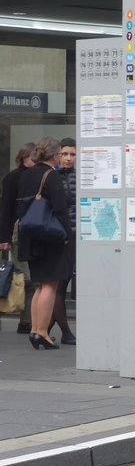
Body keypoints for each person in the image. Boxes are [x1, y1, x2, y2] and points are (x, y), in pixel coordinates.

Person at [16, 137, 71, 349]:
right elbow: (60, 209)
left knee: (41, 285)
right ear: (55, 155)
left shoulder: (27, 174)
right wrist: (67, 233)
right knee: (51, 285)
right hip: (50, 236)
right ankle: (41, 332)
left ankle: (35, 330)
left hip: (31, 235)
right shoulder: (52, 176)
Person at [0, 142, 36, 332]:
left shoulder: (37, 175)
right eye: (32, 157)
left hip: (30, 233)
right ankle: (26, 321)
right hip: (16, 234)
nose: (36, 161)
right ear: (24, 157)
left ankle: (27, 321)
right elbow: (6, 208)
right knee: (25, 278)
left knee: (28, 279)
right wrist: (3, 237)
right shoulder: (14, 177)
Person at [52, 138, 77, 345]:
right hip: (61, 237)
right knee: (59, 285)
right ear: (58, 155)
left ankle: (41, 330)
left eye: (73, 154)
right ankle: (66, 332)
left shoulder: (81, 176)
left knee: (63, 282)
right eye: (65, 154)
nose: (69, 158)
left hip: (79, 235)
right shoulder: (53, 177)